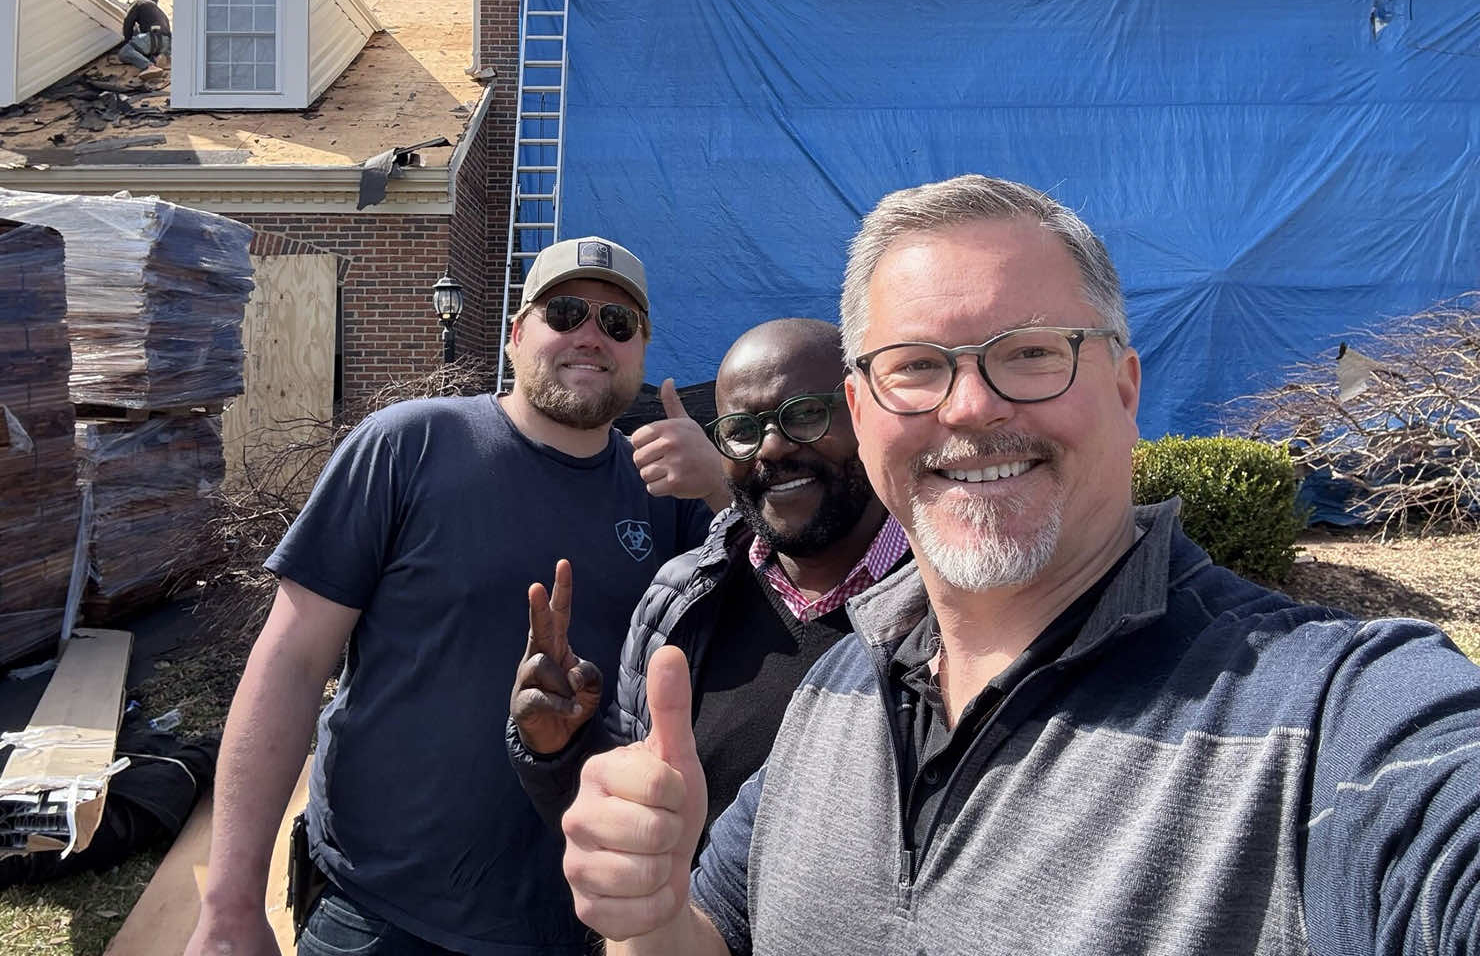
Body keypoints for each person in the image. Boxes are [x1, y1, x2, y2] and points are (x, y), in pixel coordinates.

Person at [559, 174, 1480, 955]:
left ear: (1125, 389)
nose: (970, 408)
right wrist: (653, 918)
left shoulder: (1327, 718)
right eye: (916, 367)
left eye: (1032, 353)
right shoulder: (836, 689)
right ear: (866, 412)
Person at [183, 234, 729, 956]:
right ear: (516, 334)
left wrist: (724, 485)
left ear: (641, 350)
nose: (591, 336)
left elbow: (792, 612)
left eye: (618, 323)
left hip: (580, 926)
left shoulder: (670, 494)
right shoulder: (408, 446)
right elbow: (290, 663)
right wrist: (229, 904)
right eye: (565, 313)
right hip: (379, 914)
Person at [508, 318, 909, 852]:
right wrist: (559, 748)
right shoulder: (678, 600)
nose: (771, 448)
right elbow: (628, 825)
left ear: (867, 413)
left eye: (805, 414)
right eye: (741, 429)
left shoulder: (947, 611)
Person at [117, 0, 171, 82]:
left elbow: (128, 22)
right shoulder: (161, 13)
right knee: (147, 46)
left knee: (124, 52)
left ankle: (150, 67)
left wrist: (127, 41)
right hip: (165, 42)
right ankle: (159, 57)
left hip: (152, 37)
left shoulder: (139, 2)